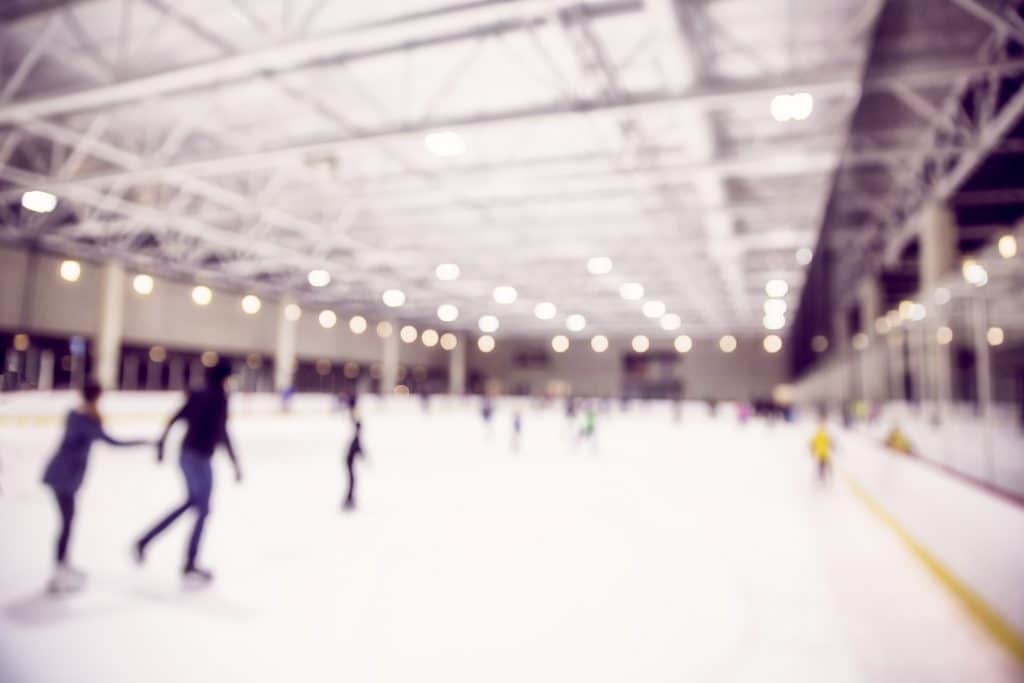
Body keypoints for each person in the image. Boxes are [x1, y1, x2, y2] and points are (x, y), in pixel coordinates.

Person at [134, 359, 241, 582]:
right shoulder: (219, 397)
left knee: (193, 504)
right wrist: (234, 463)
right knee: (201, 509)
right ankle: (189, 563)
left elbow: (174, 419)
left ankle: (145, 541)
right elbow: (222, 432)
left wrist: (162, 445)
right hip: (199, 458)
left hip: (187, 456)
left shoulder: (199, 393)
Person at [41, 380, 148, 593]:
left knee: (67, 522)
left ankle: (63, 566)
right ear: (97, 397)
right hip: (65, 477)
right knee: (67, 523)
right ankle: (59, 571)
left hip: (61, 475)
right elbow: (112, 442)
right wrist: (142, 441)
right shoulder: (87, 421)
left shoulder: (76, 415)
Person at [342, 416, 365, 511]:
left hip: (349, 463)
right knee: (352, 481)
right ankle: (348, 500)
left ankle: (349, 499)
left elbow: (359, 450)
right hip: (349, 463)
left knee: (352, 481)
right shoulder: (356, 438)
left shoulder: (356, 437)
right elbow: (358, 449)